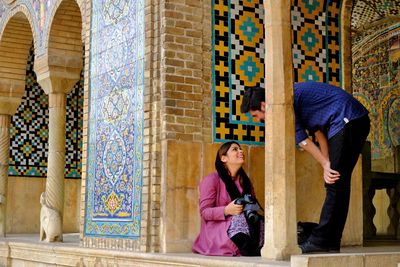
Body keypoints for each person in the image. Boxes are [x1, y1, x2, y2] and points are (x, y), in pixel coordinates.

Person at [240, 81, 370, 254]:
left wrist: (325, 164)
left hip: (346, 119)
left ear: (264, 105)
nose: (259, 120)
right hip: (350, 120)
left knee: (335, 183)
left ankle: (321, 241)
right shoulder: (296, 98)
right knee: (337, 182)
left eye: (256, 115)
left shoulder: (286, 102)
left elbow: (304, 142)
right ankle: (330, 241)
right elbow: (319, 135)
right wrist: (327, 164)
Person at [192, 141, 264, 256]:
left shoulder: (245, 181)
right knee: (239, 219)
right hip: (218, 230)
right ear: (224, 158)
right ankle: (248, 248)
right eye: (235, 149)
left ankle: (252, 246)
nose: (241, 151)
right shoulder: (212, 179)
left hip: (245, 225)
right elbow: (204, 212)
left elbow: (253, 207)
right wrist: (226, 210)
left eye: (240, 149)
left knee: (265, 222)